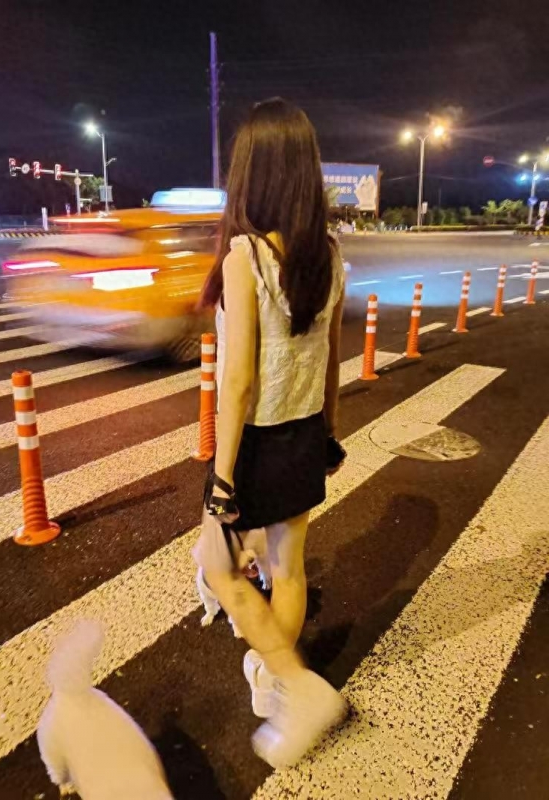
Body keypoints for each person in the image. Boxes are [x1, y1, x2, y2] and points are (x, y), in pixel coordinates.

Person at [194, 98, 348, 769]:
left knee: (218, 568)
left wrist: (223, 479)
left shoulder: (245, 257)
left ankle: (297, 686)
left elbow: (238, 383)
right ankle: (278, 684)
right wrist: (330, 433)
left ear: (250, 174)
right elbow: (332, 360)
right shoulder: (330, 255)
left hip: (256, 443)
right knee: (287, 571)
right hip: (305, 434)